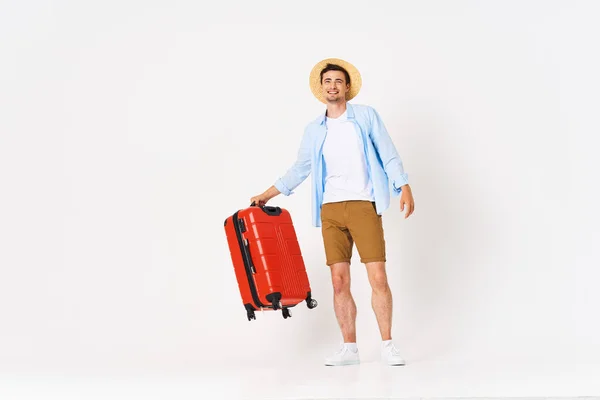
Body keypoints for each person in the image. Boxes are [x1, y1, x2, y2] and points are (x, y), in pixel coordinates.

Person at [250, 58, 415, 366]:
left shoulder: (365, 117)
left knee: (377, 277)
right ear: (321, 88)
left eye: (338, 81)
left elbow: (387, 152)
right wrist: (267, 193)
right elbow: (300, 168)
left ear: (347, 87)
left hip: (364, 205)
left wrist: (403, 185)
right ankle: (349, 349)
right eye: (328, 82)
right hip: (330, 210)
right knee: (339, 281)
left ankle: (388, 345)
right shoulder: (314, 130)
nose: (333, 86)